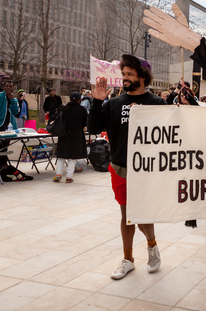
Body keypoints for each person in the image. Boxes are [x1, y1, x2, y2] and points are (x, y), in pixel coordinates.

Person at [88, 54, 166, 280]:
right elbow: (93, 127)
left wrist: (143, 117)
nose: (125, 78)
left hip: (147, 168)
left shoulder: (157, 103)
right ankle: (128, 259)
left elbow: (165, 134)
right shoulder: (113, 103)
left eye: (130, 74)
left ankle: (152, 247)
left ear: (143, 77)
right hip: (120, 166)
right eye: (124, 74)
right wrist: (97, 100)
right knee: (126, 214)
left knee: (142, 213)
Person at [52, 93, 87, 183]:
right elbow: (84, 123)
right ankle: (69, 177)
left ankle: (58, 174)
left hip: (64, 135)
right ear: (79, 100)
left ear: (70, 99)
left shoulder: (63, 109)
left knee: (61, 156)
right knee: (72, 157)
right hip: (76, 135)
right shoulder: (82, 110)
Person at [0, 78, 19, 168]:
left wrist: (12, 100)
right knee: (0, 146)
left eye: (10, 86)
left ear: (13, 88)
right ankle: (3, 164)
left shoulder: (13, 98)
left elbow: (16, 112)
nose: (8, 88)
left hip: (9, 126)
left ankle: (2, 164)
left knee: (5, 146)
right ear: (3, 87)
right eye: (6, 86)